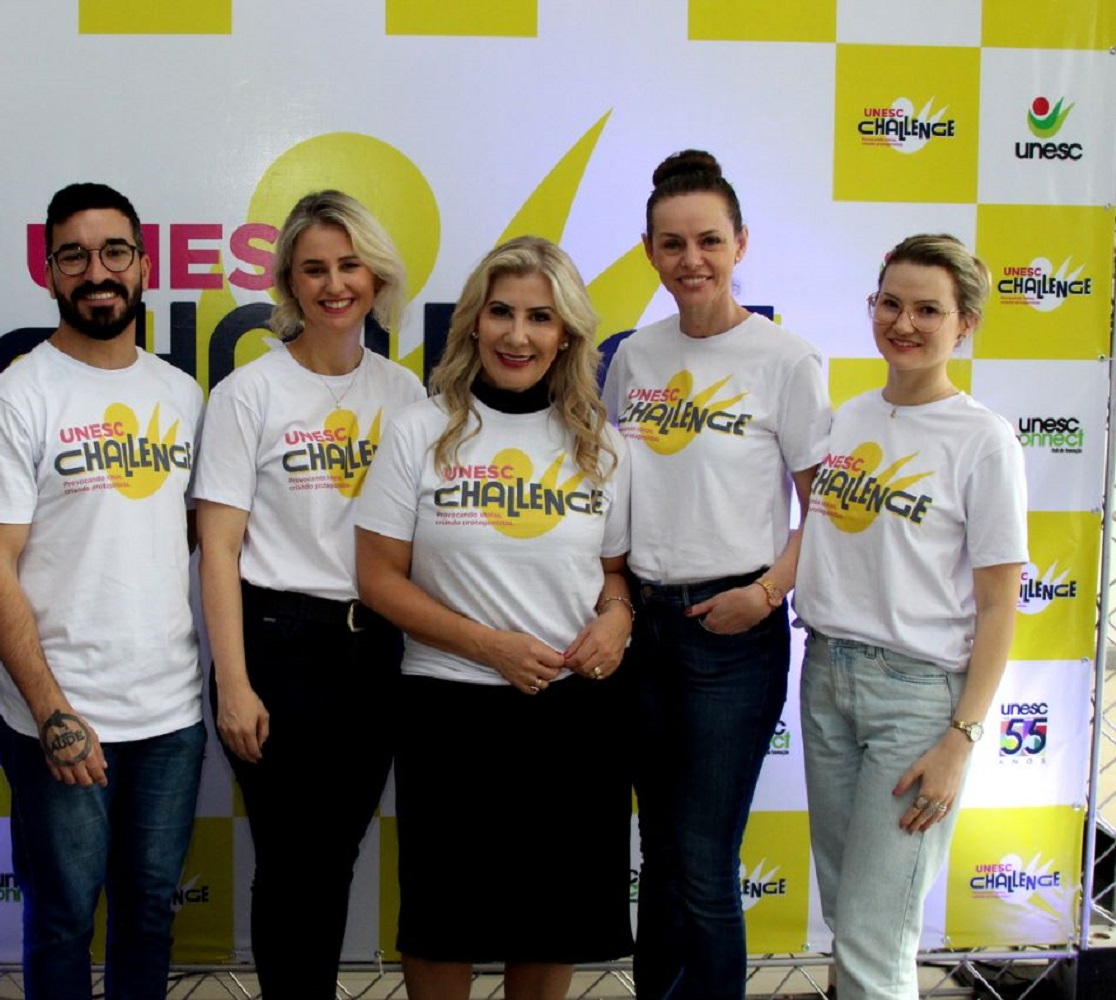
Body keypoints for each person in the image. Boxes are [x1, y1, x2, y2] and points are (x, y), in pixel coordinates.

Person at [357, 236, 634, 1000]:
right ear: (474, 322)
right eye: (501, 312)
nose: (518, 334)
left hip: (571, 716)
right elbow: (376, 579)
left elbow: (613, 575)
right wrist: (487, 647)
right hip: (449, 710)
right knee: (443, 923)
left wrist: (618, 619)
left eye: (540, 317)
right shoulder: (421, 430)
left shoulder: (601, 445)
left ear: (566, 333)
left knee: (552, 924)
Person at [0, 183, 206, 1000]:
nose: (97, 273)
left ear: (144, 265)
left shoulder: (182, 395)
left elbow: (189, 539)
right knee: (62, 920)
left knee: (149, 914)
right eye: (74, 256)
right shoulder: (14, 399)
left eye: (114, 253)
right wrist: (51, 712)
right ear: (49, 272)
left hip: (169, 713)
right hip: (59, 712)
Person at [600, 149, 832, 999]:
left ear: (741, 244)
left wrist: (767, 594)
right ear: (649, 251)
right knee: (661, 856)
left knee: (703, 863)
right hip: (645, 633)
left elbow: (825, 508)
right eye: (672, 243)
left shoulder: (785, 360)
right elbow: (614, 491)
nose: (690, 259)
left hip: (732, 636)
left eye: (708, 240)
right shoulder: (635, 356)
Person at [192, 189, 423, 997]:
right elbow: (218, 550)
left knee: (335, 856)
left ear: (376, 277)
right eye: (314, 268)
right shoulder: (246, 394)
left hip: (375, 648)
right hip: (276, 644)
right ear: (289, 282)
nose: (334, 285)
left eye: (349, 265)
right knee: (291, 860)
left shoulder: (406, 395)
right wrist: (234, 683)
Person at [795, 234, 1026, 999]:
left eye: (928, 310)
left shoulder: (983, 440)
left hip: (917, 702)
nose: (904, 323)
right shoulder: (847, 419)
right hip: (827, 678)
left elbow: (999, 604)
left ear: (965, 323)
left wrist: (961, 738)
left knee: (874, 937)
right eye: (890, 303)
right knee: (852, 919)